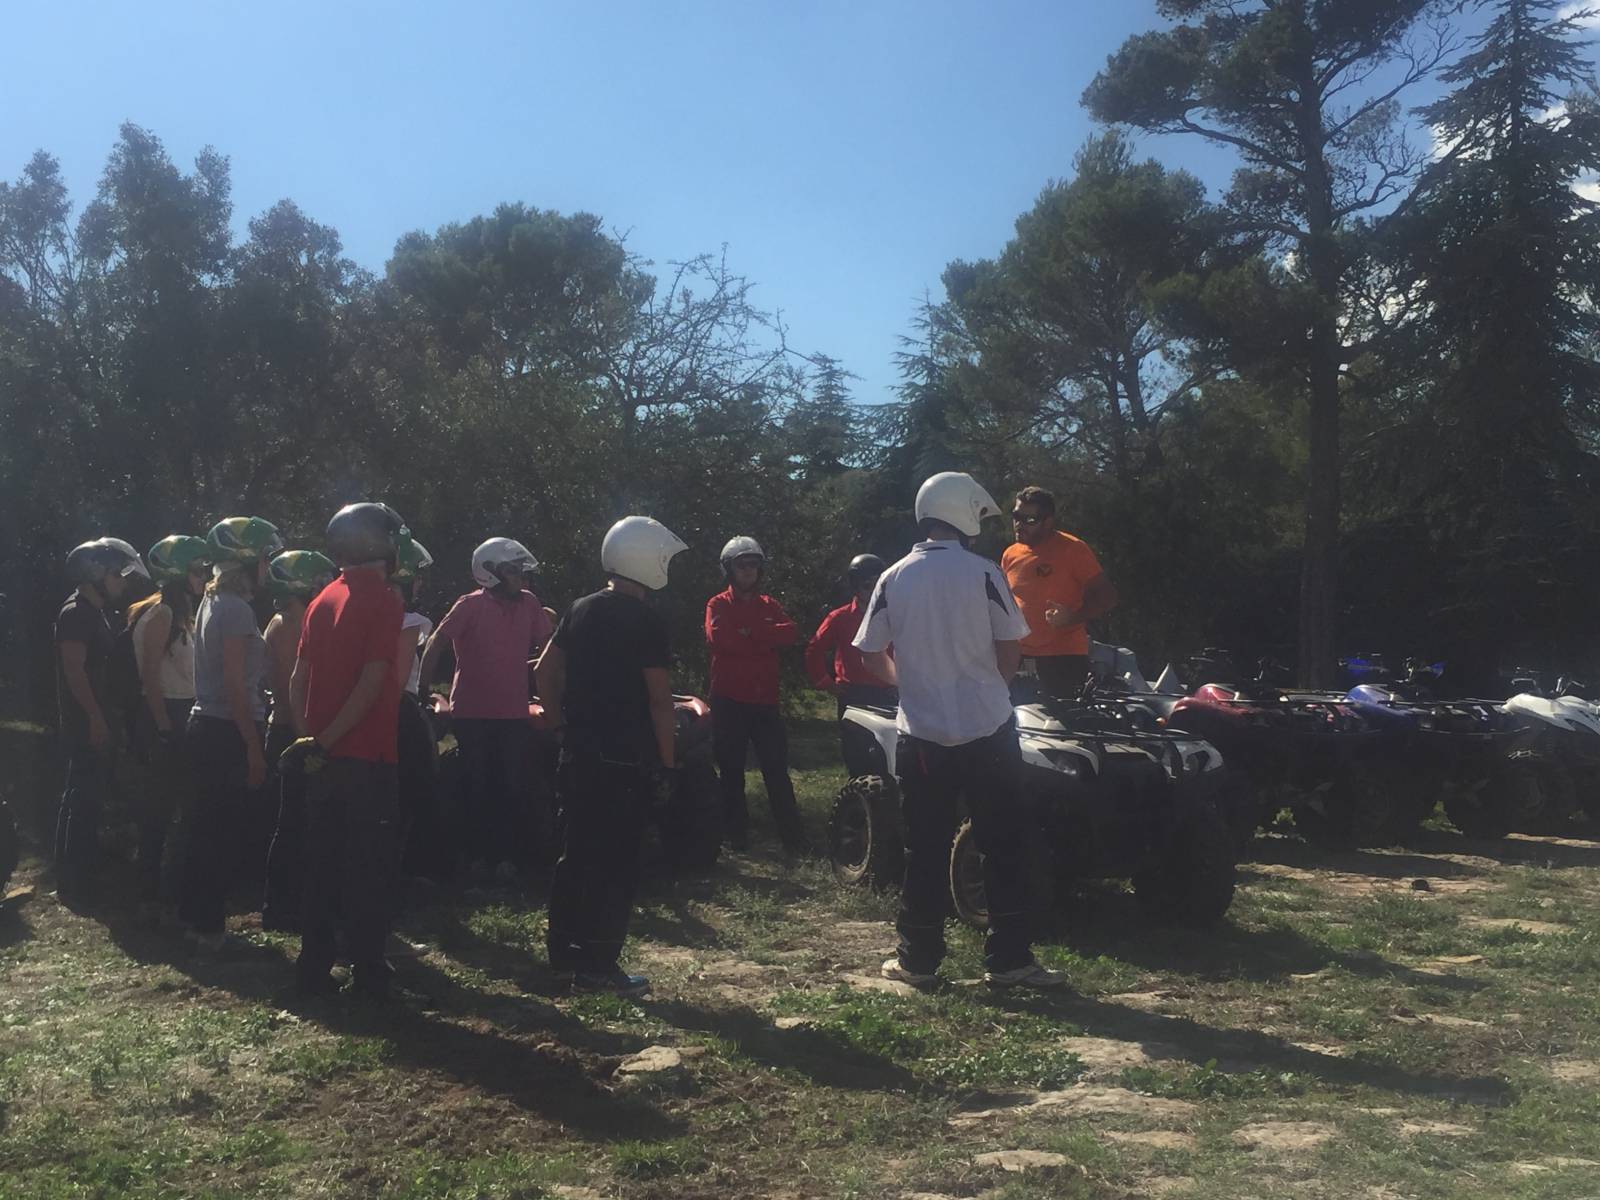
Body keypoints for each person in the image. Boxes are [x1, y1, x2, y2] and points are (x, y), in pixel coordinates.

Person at [853, 472, 1066, 991]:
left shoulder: (893, 577)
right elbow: (1011, 645)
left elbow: (869, 652)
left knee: (923, 848)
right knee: (1003, 844)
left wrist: (909, 682)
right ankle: (1009, 960)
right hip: (988, 728)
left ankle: (917, 960)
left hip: (922, 733)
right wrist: (990, 687)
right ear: (963, 513)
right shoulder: (985, 572)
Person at [537, 516, 686, 996]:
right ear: (645, 559)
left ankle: (563, 957)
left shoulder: (579, 608)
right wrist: (669, 765)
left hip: (578, 752)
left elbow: (544, 672)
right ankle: (599, 966)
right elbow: (660, 700)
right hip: (625, 759)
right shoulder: (645, 620)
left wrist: (559, 725)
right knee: (617, 862)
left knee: (576, 854)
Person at [283, 502, 409, 999]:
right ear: (378, 544)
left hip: (323, 759)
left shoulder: (322, 597)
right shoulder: (384, 599)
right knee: (368, 869)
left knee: (322, 865)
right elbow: (374, 680)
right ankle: (370, 976)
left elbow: (298, 680)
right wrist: (331, 738)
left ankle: (313, 969)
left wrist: (310, 741)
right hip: (366, 756)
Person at [417, 537, 552, 876]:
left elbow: (549, 646)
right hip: (472, 712)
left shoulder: (530, 603)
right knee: (476, 783)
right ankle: (475, 857)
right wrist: (422, 687)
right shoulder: (469, 605)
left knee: (511, 784)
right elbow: (437, 642)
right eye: (513, 571)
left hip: (513, 712)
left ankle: (506, 857)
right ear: (490, 572)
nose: (521, 577)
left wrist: (553, 682)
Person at [182, 517, 282, 950]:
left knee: (206, 828)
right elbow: (235, 685)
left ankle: (197, 919)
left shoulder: (212, 600)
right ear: (247, 561)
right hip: (228, 728)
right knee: (221, 832)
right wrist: (253, 748)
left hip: (208, 724)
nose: (267, 567)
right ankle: (209, 928)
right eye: (264, 558)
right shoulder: (237, 609)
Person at [54, 538, 149, 903]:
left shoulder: (94, 613)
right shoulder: (76, 613)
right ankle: (76, 882)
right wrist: (94, 717)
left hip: (96, 716)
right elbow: (74, 670)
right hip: (84, 721)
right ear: (95, 575)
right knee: (83, 799)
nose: (122, 582)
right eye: (116, 575)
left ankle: (76, 875)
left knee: (84, 797)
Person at [705, 536, 806, 855]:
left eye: (754, 564)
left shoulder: (769, 605)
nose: (748, 570)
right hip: (728, 700)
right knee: (731, 770)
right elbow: (720, 640)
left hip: (765, 702)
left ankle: (793, 839)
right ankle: (736, 835)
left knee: (776, 769)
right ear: (729, 569)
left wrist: (751, 633)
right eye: (741, 565)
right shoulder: (717, 604)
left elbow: (791, 633)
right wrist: (764, 637)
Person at [126, 535, 210, 908]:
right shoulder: (161, 614)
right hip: (164, 712)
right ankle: (148, 890)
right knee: (159, 807)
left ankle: (168, 886)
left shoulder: (180, 613)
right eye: (197, 571)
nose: (204, 577)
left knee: (179, 804)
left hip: (181, 709)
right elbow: (150, 675)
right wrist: (163, 726)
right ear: (178, 574)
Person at [259, 550, 338, 931]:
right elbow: (297, 687)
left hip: (290, 727)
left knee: (293, 821)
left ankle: (287, 903)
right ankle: (283, 906)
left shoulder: (283, 620)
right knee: (293, 823)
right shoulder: (291, 624)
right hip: (293, 730)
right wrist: (310, 739)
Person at [1001, 486, 1118, 702]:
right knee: (1018, 720)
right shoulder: (1010, 554)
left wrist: (1072, 617)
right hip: (1020, 659)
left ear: (1048, 522)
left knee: (1061, 722)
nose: (1019, 524)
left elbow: (1107, 596)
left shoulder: (1073, 549)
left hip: (1063, 658)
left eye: (1029, 520)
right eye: (1016, 516)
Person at [391, 538, 442, 888]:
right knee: (415, 787)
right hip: (400, 710)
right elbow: (397, 681)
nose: (420, 584)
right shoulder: (407, 621)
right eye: (418, 577)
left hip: (377, 708)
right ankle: (409, 869)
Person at [806, 554, 896, 717]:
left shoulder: (895, 615)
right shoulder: (839, 617)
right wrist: (825, 682)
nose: (874, 592)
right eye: (867, 586)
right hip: (853, 694)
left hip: (888, 693)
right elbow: (814, 650)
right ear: (855, 586)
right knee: (853, 734)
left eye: (878, 586)